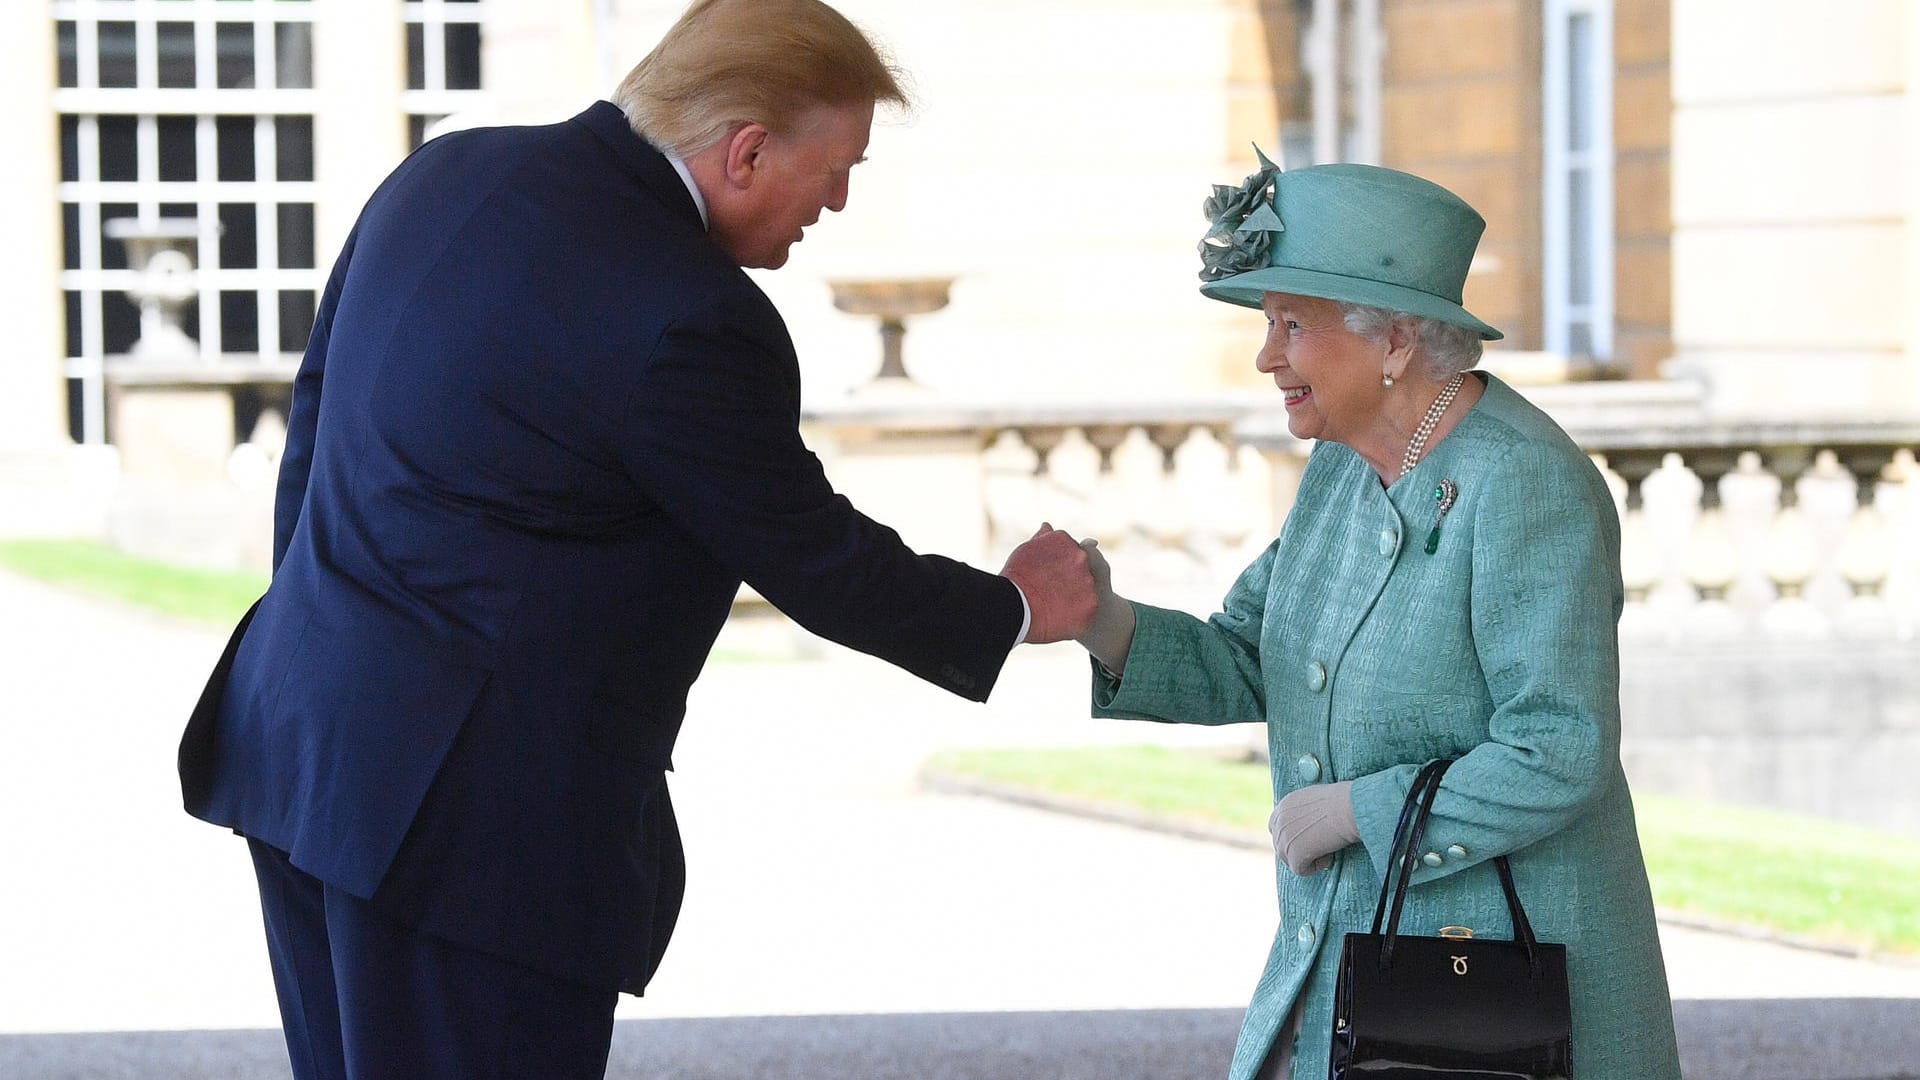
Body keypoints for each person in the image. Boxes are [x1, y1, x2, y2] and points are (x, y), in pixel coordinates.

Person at [176, 2, 1097, 1077]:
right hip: (470, 839)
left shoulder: (441, 176)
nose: (840, 199)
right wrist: (1018, 606)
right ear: (746, 151)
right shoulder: (695, 315)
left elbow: (316, 428)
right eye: (837, 166)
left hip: (301, 745)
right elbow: (812, 554)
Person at [1061, 154, 1684, 1078]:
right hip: (1353, 970)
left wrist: (1361, 810)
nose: (1268, 355)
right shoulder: (1344, 469)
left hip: (1498, 1002)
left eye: (1292, 326)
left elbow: (1559, 748)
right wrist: (1099, 618)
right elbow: (1249, 654)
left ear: (1394, 342)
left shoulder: (1526, 486)